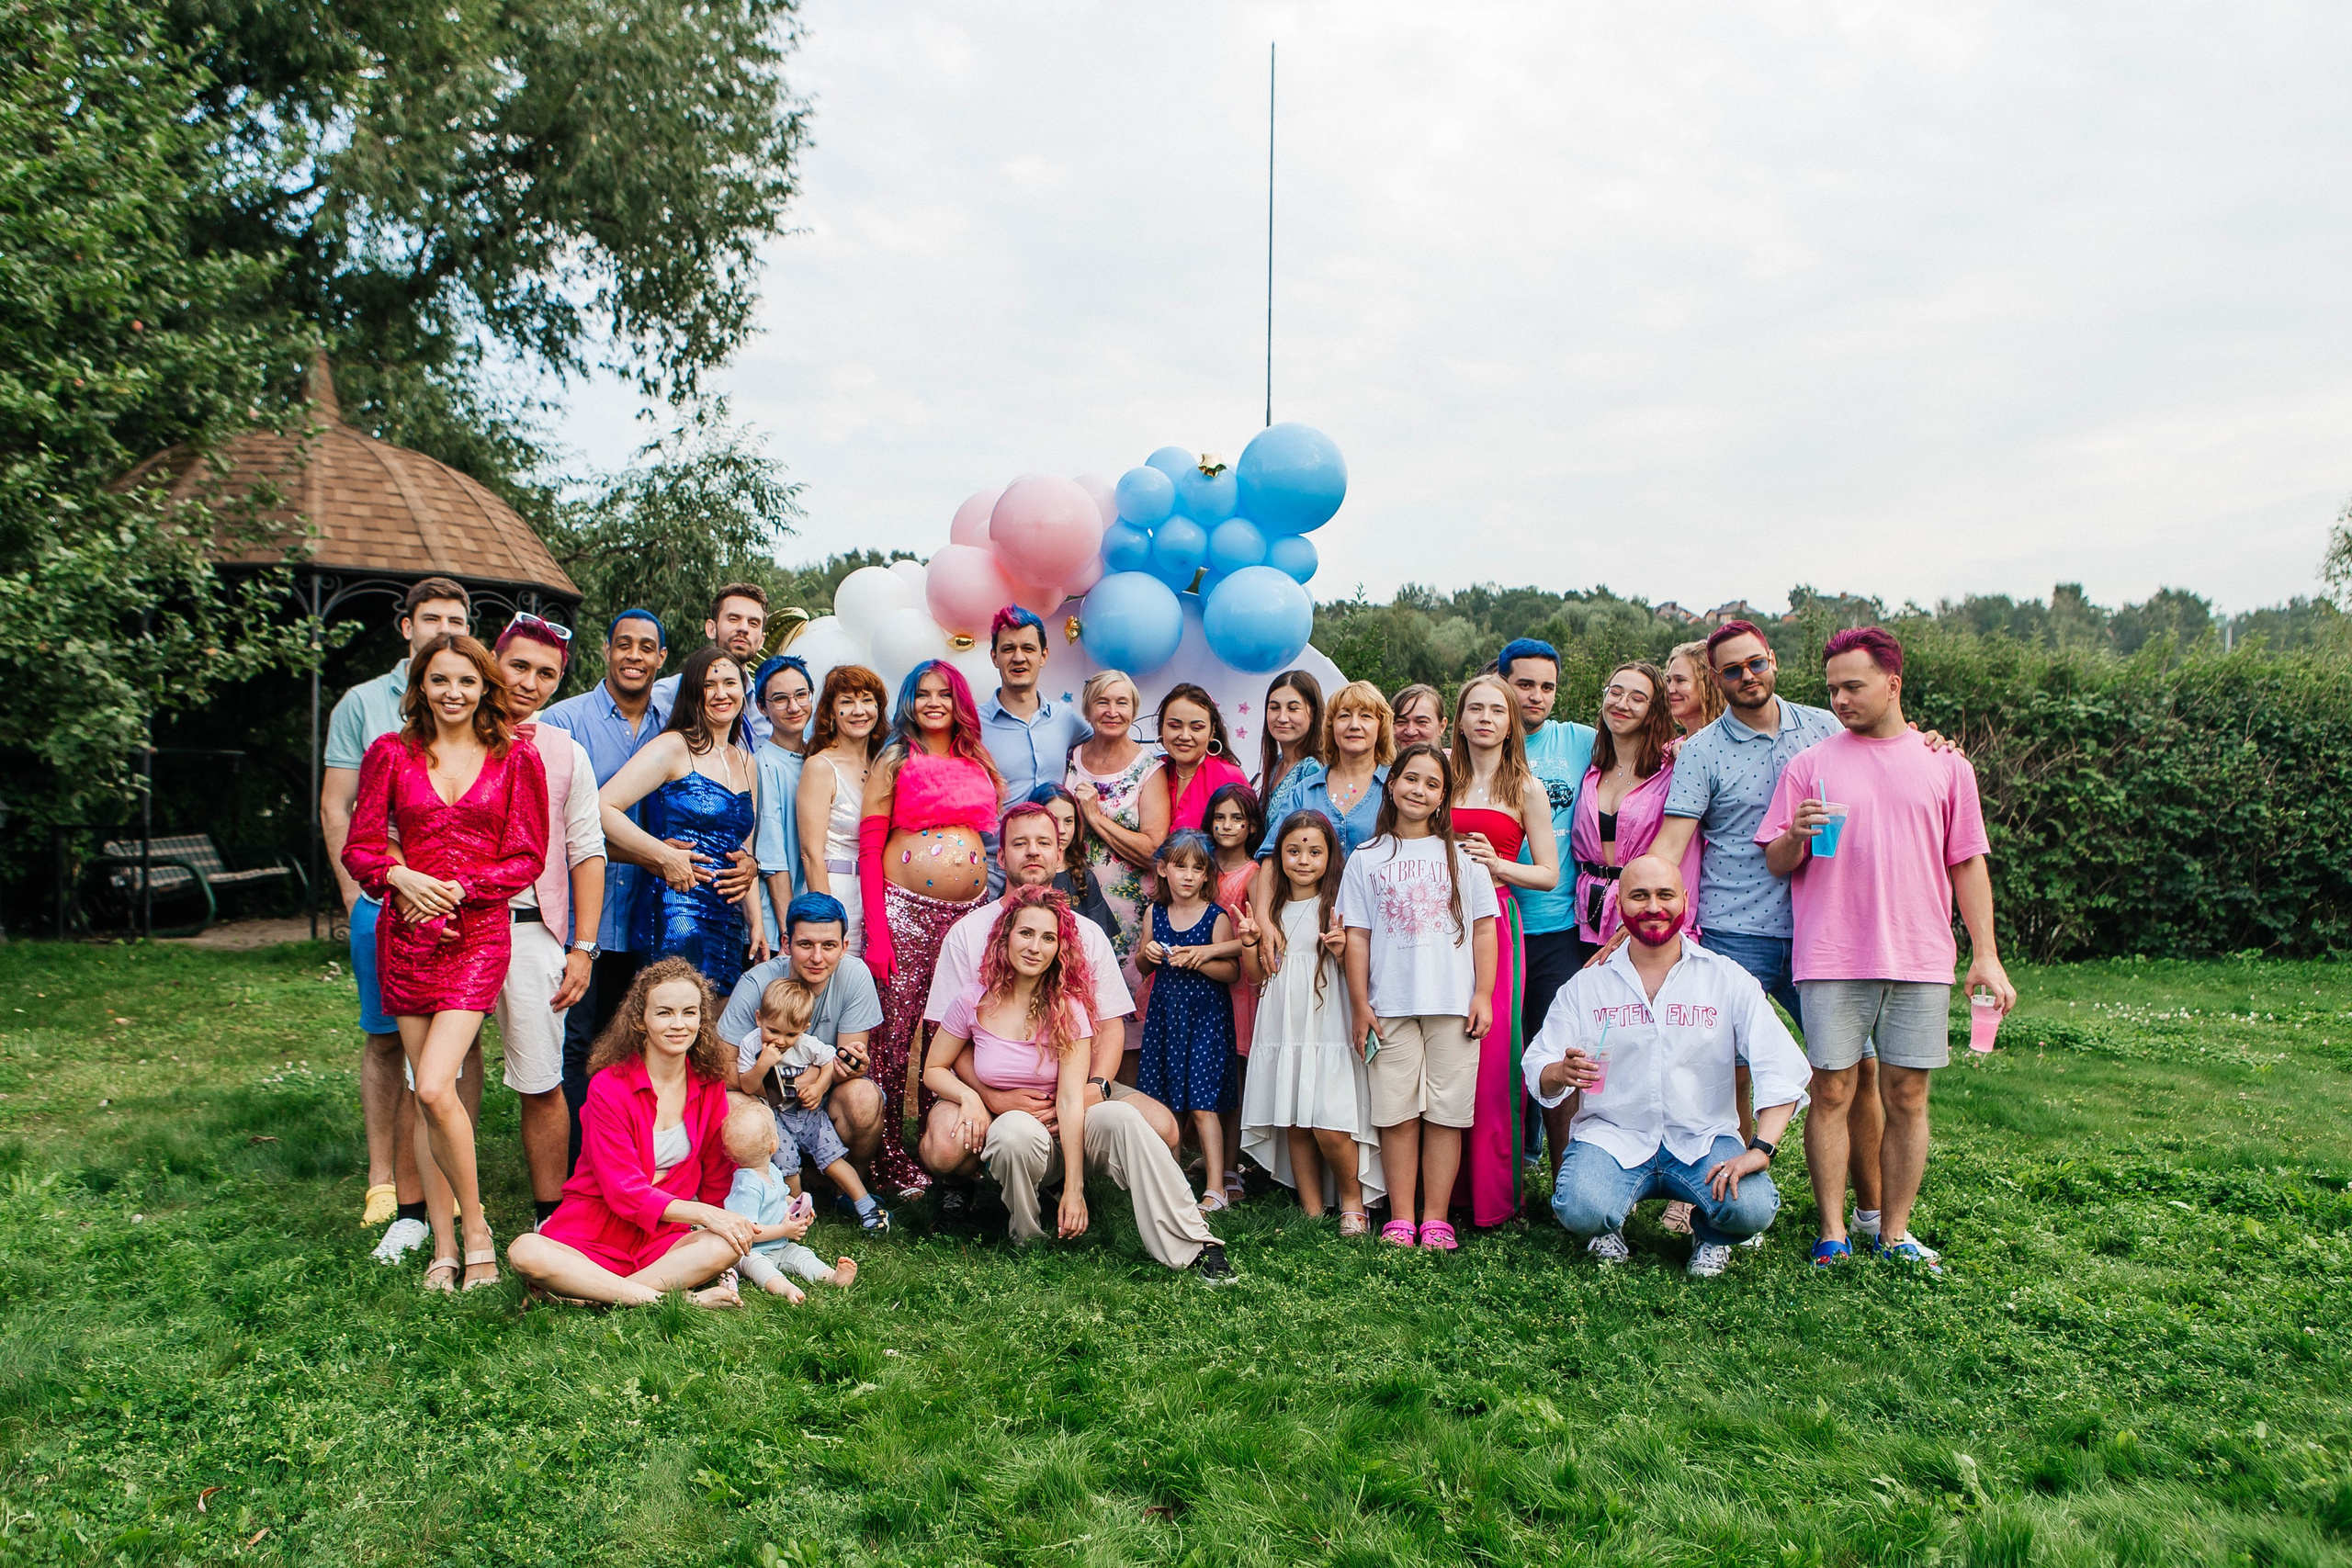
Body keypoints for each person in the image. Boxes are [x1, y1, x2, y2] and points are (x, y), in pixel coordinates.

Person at [1759, 626, 2015, 1271]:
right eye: (1832, 689)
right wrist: (1794, 833)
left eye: (1854, 685)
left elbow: (1968, 863)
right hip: (1832, 955)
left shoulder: (1946, 764)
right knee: (1832, 1090)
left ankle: (1895, 1233)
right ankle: (1831, 1232)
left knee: (1908, 1096)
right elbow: (1777, 862)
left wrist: (1985, 952)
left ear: (1893, 683)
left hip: (1920, 956)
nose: (1840, 699)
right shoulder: (1809, 766)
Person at [1648, 618, 1889, 1235]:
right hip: (1737, 930)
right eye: (1731, 670)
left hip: (1825, 930)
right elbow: (1673, 839)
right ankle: (1722, 1199)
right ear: (1716, 677)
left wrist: (1935, 744)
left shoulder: (1825, 725)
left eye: (1755, 663)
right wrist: (1635, 908)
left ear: (1772, 659)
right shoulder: (1702, 751)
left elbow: (1890, 756)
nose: (1746, 676)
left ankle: (1871, 1211)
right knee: (1725, 1069)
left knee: (1856, 1070)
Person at [340, 632, 549, 1291]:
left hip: (476, 935)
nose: (453, 693)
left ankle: (479, 1227)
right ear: (421, 686)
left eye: (466, 680)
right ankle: (443, 1243)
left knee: (434, 1084)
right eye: (440, 681)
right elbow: (362, 848)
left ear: (485, 685)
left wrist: (461, 886)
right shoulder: (390, 753)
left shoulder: (515, 758)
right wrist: (401, 877)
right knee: (427, 1098)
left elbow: (527, 856)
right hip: (404, 937)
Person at [921, 886, 1237, 1281]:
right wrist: (971, 1096)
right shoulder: (973, 999)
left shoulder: (1066, 1007)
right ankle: (1029, 1238)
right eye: (1026, 933)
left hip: (1068, 1129)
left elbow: (1071, 1100)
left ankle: (1194, 1244)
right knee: (1012, 1131)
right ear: (1005, 938)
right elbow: (935, 1067)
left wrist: (1075, 1188)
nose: (1035, 946)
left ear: (1059, 949)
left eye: (1048, 938)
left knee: (1123, 1118)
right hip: (1017, 1133)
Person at [1522, 853, 1809, 1277]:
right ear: (1621, 906)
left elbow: (1782, 1066)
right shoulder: (1589, 984)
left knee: (1752, 1209)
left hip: (1703, 1142)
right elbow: (1539, 1064)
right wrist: (1559, 1074)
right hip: (1614, 1138)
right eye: (1639, 896)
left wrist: (1760, 1150)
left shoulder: (1726, 979)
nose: (1653, 907)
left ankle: (1708, 1233)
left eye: (1665, 895)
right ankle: (1605, 1227)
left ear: (1685, 902)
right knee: (1580, 1206)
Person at [321, 575, 470, 1255]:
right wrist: (360, 893)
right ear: (405, 625)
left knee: (449, 1056)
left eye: (457, 618)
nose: (443, 626)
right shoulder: (364, 705)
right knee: (387, 1040)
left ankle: (447, 1195)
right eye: (431, 616)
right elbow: (338, 806)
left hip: (460, 913)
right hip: (383, 898)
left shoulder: (474, 703)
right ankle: (386, 1180)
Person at [919, 803, 1180, 1172]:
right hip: (992, 1083)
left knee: (1163, 1128)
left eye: (1044, 842)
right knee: (944, 1147)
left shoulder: (1088, 933)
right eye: (1020, 843)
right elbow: (948, 1034)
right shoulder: (967, 933)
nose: (1032, 851)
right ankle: (964, 1186)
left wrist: (1096, 1088)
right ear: (1000, 856)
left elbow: (1110, 1024)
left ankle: (1066, 1177)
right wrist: (992, 1096)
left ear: (1059, 855)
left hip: (1072, 1087)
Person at [507, 960, 752, 1308]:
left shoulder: (709, 1083)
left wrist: (720, 1219)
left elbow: (716, 1173)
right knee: (525, 1250)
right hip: (596, 1221)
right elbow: (623, 1192)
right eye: (665, 1013)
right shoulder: (609, 1086)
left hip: (662, 1232)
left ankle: (592, 1294)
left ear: (702, 1018)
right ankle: (666, 1300)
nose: (679, 1024)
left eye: (690, 1013)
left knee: (725, 1245)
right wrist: (703, 1215)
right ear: (641, 1020)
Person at [1340, 743, 1498, 1251]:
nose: (1420, 790)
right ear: (1392, 784)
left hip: (1453, 1005)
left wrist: (1484, 993)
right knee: (1397, 1112)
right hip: (1390, 1008)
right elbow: (1358, 936)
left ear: (1443, 797)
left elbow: (1483, 930)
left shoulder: (1463, 856)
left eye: (1433, 784)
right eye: (1412, 779)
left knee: (1447, 1113)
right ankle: (1401, 1216)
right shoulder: (1367, 858)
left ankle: (1436, 1218)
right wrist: (1360, 1003)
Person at [1572, 660, 1710, 1239]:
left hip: (1649, 918)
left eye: (1638, 696)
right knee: (1602, 1043)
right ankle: (1601, 1172)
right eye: (1614, 692)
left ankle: (1688, 1186)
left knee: (1676, 1050)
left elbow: (1680, 854)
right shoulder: (1588, 766)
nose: (1622, 703)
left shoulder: (1675, 767)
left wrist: (1638, 925)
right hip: (1586, 914)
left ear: (1655, 710)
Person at [858, 660, 1004, 1197]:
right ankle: (887, 1157)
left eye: (945, 693)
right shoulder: (895, 756)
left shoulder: (975, 758)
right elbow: (870, 846)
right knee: (894, 1036)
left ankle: (949, 1150)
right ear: (909, 702)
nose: (934, 702)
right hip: (904, 911)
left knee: (953, 1032)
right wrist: (877, 933)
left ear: (960, 699)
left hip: (967, 915)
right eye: (923, 694)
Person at [539, 608, 673, 1166]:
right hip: (578, 916)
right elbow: (564, 829)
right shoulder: (563, 722)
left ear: (661, 659)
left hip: (650, 916)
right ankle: (575, 1167)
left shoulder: (674, 725)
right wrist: (658, 856)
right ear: (606, 649)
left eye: (647, 647)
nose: (635, 656)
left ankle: (624, 1159)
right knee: (575, 1043)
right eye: (624, 644)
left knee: (632, 1046)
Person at [489, 615, 607, 1227]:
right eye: (519, 665)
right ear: (493, 659)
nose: (530, 682)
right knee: (434, 1076)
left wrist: (583, 946)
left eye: (546, 673)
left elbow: (588, 850)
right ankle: (429, 1210)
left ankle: (550, 1215)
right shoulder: (446, 735)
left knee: (541, 1076)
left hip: (534, 927)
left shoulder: (564, 750)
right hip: (453, 930)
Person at [1447, 673, 1561, 1228]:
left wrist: (1497, 865)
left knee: (1492, 1056)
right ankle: (1438, 1191)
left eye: (1498, 709)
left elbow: (1548, 873)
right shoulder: (1440, 777)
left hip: (1495, 917)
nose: (1487, 717)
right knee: (1440, 1045)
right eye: (1476, 708)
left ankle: (1492, 1195)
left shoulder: (1527, 788)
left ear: (1511, 721)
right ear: (1461, 718)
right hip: (1432, 923)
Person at [1239, 809, 1383, 1231]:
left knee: (1329, 1124)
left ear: (1330, 857)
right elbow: (1257, 976)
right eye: (1293, 851)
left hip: (1328, 1025)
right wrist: (1251, 942)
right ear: (1278, 856)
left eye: (1314, 851)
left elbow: (1360, 971)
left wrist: (1341, 952)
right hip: (1285, 1023)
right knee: (1296, 1121)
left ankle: (1353, 1203)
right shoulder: (1274, 910)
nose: (1303, 860)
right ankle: (1311, 1209)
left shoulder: (1337, 906)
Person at [597, 646, 765, 995]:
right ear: (692, 692)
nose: (721, 694)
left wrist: (756, 919)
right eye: (709, 684)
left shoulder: (746, 760)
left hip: (729, 915)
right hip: (678, 905)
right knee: (674, 1014)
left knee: (718, 1029)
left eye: (730, 683)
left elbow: (742, 849)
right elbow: (602, 807)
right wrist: (661, 854)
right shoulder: (673, 746)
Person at [1492, 637, 1599, 1171]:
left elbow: (1641, 752)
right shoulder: (1476, 746)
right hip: (1491, 925)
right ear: (1501, 681)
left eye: (1547, 687)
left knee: (1554, 1043)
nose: (1536, 696)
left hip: (1559, 924)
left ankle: (1562, 1167)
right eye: (1524, 683)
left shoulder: (1579, 741)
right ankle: (1507, 1158)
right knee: (1498, 1047)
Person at [717, 891, 888, 1178]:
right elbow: (722, 1068)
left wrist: (852, 1065)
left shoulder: (855, 975)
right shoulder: (755, 983)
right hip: (764, 1096)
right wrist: (791, 1083)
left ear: (845, 946)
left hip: (822, 1095)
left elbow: (846, 1063)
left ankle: (848, 1185)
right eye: (806, 944)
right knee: (733, 1105)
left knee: (863, 1097)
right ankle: (764, 1186)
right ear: (786, 943)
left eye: (829, 945)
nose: (817, 958)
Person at [1136, 831, 1244, 1210]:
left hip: (1205, 1021)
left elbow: (1233, 972)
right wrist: (1148, 953)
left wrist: (1200, 959)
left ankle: (1216, 1188)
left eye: (1196, 869)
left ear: (1206, 877)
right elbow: (1142, 965)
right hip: (1166, 1019)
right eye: (1179, 866)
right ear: (1163, 869)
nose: (1187, 876)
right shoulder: (1155, 913)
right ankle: (1172, 1183)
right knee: (1166, 1104)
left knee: (1202, 1104)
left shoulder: (1217, 917)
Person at [731, 976, 889, 1232]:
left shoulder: (806, 1044)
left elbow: (829, 1062)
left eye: (791, 1034)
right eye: (773, 1031)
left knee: (833, 1158)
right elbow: (747, 1085)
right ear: (759, 1018)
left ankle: (867, 1206)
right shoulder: (751, 1044)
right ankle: (797, 1213)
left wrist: (818, 1087)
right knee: (787, 1167)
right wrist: (763, 1063)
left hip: (809, 1114)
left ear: (804, 1028)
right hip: (775, 1118)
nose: (781, 1040)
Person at [1066, 669, 1161, 976]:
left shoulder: (1149, 769)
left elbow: (1154, 851)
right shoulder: (1069, 758)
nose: (1112, 711)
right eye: (1102, 702)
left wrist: (1095, 816)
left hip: (1126, 915)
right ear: (1087, 709)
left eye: (1122, 703)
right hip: (1069, 903)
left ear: (1133, 710)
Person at [719, 1100, 858, 1302]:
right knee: (760, 1267)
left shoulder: (772, 1171)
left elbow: (781, 1197)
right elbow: (747, 1232)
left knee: (803, 1255)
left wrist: (798, 1208)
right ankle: (785, 1288)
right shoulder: (747, 1187)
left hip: (780, 1245)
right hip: (752, 1252)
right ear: (774, 1145)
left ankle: (831, 1276)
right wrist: (785, 1231)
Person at [796, 663, 887, 953]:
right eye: (847, 702)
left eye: (867, 700)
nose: (859, 710)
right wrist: (825, 919)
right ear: (831, 713)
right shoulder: (820, 766)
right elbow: (811, 853)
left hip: (878, 893)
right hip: (837, 889)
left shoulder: (882, 764)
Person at [1204, 780, 1266, 1201]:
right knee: (1209, 1073)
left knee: (1235, 1078)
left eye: (1237, 819)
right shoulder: (1199, 865)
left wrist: (1201, 948)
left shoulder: (1255, 874)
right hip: (1203, 985)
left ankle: (1231, 1168)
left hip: (1239, 986)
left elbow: (1254, 932)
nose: (1227, 826)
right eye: (1220, 817)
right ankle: (1206, 1157)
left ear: (1250, 827)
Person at [978, 606, 1091, 806]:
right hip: (997, 837)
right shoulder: (973, 724)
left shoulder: (1064, 717)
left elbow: (1106, 745)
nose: (1018, 657)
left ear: (1044, 655)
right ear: (994, 657)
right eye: (1008, 649)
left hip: (1055, 836)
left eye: (1028, 648)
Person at [651, 583, 772, 744]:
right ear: (711, 629)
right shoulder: (667, 694)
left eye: (753, 623)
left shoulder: (767, 705)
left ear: (761, 640)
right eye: (734, 619)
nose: (743, 628)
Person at [751, 655, 814, 952]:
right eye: (780, 699)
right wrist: (789, 932)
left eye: (801, 695)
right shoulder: (764, 764)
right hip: (780, 928)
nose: (794, 707)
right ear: (762, 707)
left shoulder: (817, 758)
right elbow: (772, 859)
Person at [1139, 683, 1247, 835]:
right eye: (1175, 726)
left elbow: (1247, 840)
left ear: (1212, 731)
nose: (1184, 736)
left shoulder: (1228, 776)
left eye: (1196, 728)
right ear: (1161, 728)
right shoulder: (1152, 770)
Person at [1025, 782, 1120, 942]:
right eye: (1053, 820)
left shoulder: (1084, 878)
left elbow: (1100, 938)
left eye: (1068, 821)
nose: (1062, 829)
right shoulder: (1025, 871)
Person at [1256, 670, 1326, 805]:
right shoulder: (1278, 762)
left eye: (1293, 708)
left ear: (1313, 713)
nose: (1282, 718)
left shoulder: (1311, 769)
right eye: (1274, 708)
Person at [1664, 639, 1726, 746]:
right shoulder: (1667, 752)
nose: (1670, 689)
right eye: (1669, 681)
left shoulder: (1729, 746)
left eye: (1680, 680)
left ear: (1707, 685)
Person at [1391, 683, 1446, 753]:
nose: (1410, 732)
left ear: (1442, 727)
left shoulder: (1457, 763)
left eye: (1421, 722)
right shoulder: (1379, 763)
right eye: (1401, 722)